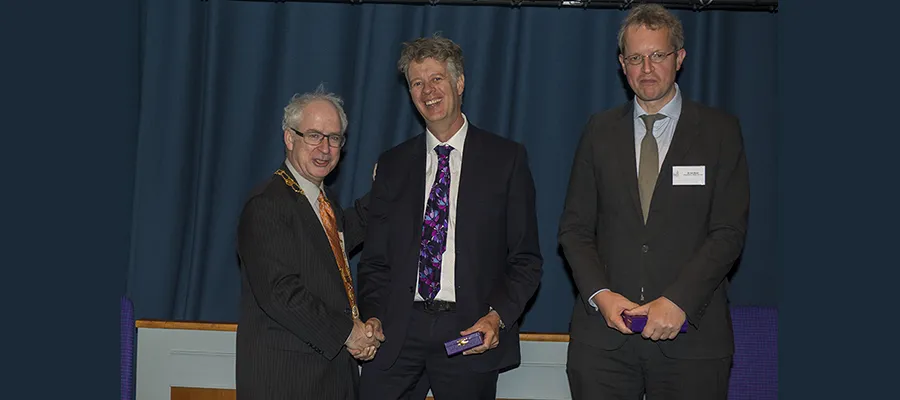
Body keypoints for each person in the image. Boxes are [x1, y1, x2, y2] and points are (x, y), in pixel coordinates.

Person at [558, 4, 750, 400]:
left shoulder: (720, 131)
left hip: (692, 340)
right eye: (635, 57)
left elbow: (728, 232)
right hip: (604, 343)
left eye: (657, 55)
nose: (646, 67)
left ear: (679, 58)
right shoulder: (598, 131)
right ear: (621, 64)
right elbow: (575, 229)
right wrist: (602, 296)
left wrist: (678, 301)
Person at [356, 35, 544, 400]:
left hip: (468, 331)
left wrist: (496, 317)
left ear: (459, 83)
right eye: (417, 82)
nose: (428, 90)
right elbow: (375, 260)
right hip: (397, 331)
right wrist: (375, 316)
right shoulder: (392, 165)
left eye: (437, 78)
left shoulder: (506, 160)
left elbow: (526, 260)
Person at [234, 86, 384, 400]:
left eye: (334, 138)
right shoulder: (268, 204)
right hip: (287, 382)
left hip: (332, 379)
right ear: (290, 138)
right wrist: (349, 333)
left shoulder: (320, 205)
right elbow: (280, 293)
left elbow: (347, 229)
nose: (325, 149)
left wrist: (387, 186)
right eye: (314, 135)